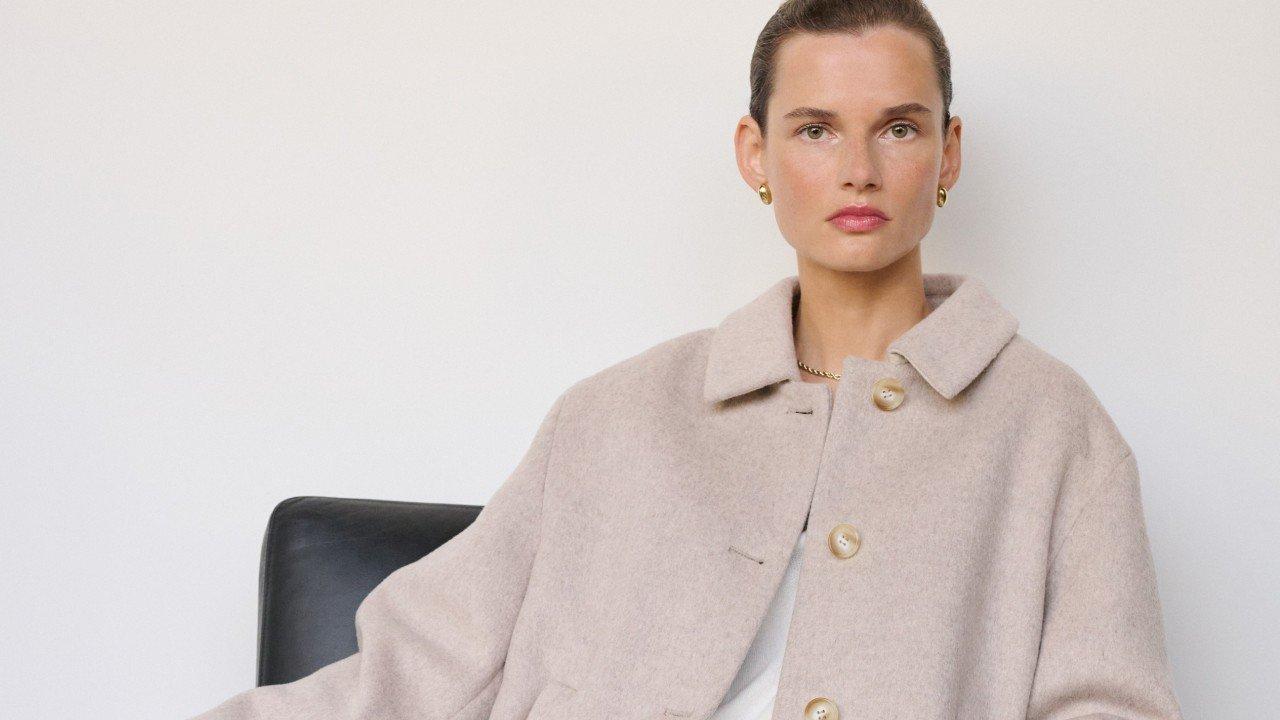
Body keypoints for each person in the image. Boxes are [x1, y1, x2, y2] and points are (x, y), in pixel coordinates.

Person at [189, 1, 1184, 718]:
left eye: (897, 127)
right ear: (755, 155)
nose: (856, 169)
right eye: (813, 129)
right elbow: (416, 668)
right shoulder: (616, 418)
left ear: (947, 154)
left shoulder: (1052, 430)